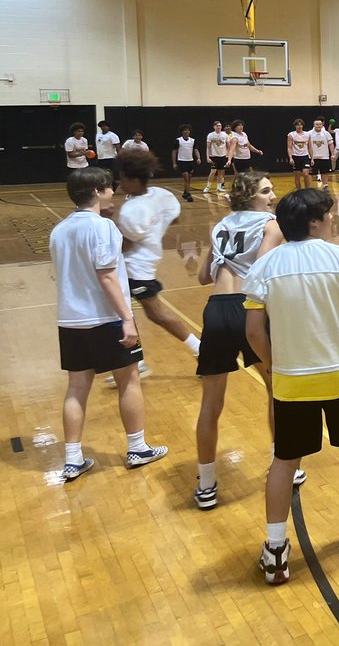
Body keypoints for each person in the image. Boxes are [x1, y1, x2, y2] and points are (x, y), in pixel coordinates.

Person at [243, 188, 339, 585]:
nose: (332, 221)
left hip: (291, 383)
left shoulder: (265, 267)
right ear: (313, 221)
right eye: (327, 215)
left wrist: (274, 366)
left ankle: (275, 548)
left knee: (285, 461)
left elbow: (254, 331)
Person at [50, 167, 167, 480]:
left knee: (76, 387)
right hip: (105, 318)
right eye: (109, 188)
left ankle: (73, 458)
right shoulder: (102, 228)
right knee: (129, 380)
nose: (112, 193)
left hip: (70, 320)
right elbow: (106, 275)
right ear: (98, 191)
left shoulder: (59, 230)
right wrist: (127, 318)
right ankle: (137, 447)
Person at [194, 171, 290, 510]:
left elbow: (203, 276)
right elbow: (262, 269)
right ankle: (284, 466)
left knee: (211, 404)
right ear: (251, 196)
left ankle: (206, 483)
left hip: (216, 310)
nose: (272, 194)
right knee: (275, 388)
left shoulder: (219, 225)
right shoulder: (271, 224)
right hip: (250, 310)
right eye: (266, 190)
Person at [114, 148, 202, 377]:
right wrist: (155, 227)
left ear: (133, 179)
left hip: (133, 268)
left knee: (151, 313)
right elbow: (175, 217)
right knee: (127, 313)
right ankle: (134, 359)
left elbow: (126, 245)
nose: (119, 182)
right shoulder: (161, 195)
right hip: (147, 262)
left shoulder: (131, 211)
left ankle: (200, 349)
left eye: (122, 178)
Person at [172, 124, 200, 203]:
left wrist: (198, 158)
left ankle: (185, 192)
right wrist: (174, 163)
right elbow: (174, 152)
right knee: (186, 177)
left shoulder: (192, 140)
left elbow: (195, 150)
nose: (186, 131)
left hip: (190, 161)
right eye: (184, 130)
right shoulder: (178, 140)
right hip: (182, 161)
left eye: (188, 130)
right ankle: (188, 194)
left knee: (189, 178)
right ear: (182, 132)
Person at [204, 120, 230, 194]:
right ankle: (208, 186)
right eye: (217, 126)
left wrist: (229, 156)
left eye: (220, 126)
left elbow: (228, 146)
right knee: (213, 172)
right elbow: (208, 147)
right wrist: (207, 157)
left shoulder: (225, 135)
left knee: (221, 172)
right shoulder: (210, 135)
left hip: (222, 156)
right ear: (214, 127)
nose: (219, 127)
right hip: (214, 156)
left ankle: (219, 187)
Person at [287, 118, 312, 191]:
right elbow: (289, 147)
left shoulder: (307, 134)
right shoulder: (291, 135)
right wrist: (290, 158)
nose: (299, 126)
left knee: (306, 174)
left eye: (301, 125)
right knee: (297, 176)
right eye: (297, 125)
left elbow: (310, 147)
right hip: (295, 156)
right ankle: (299, 191)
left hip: (305, 156)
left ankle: (307, 190)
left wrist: (312, 158)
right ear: (295, 126)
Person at [309, 117, 334, 187]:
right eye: (317, 124)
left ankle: (325, 186)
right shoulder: (309, 134)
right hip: (313, 157)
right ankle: (309, 188)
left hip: (324, 157)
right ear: (314, 125)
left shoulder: (326, 133)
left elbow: (331, 144)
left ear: (322, 125)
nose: (319, 126)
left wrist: (332, 154)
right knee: (310, 174)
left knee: (325, 172)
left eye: (320, 124)